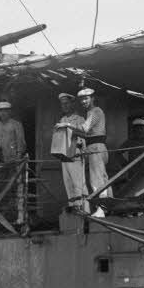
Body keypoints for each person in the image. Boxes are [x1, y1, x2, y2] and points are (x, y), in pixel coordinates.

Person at [0, 100, 28, 225]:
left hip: (13, 162)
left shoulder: (16, 124)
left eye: (5, 111)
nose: (3, 113)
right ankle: (5, 217)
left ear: (9, 111)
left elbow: (21, 142)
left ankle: (20, 216)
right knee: (2, 188)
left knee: (16, 187)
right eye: (0, 111)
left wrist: (18, 157)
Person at [53, 92, 89, 215]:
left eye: (67, 103)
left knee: (78, 183)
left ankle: (84, 209)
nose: (65, 106)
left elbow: (85, 134)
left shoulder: (79, 119)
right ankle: (74, 207)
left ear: (72, 104)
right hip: (65, 155)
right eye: (63, 104)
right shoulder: (62, 119)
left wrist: (69, 126)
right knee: (68, 183)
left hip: (76, 154)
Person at [78, 87, 111, 219]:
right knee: (103, 178)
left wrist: (68, 126)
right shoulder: (91, 112)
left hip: (96, 147)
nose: (83, 102)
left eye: (86, 98)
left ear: (92, 98)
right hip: (96, 147)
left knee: (96, 179)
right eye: (81, 100)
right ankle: (108, 207)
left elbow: (84, 129)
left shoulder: (95, 111)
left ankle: (101, 209)